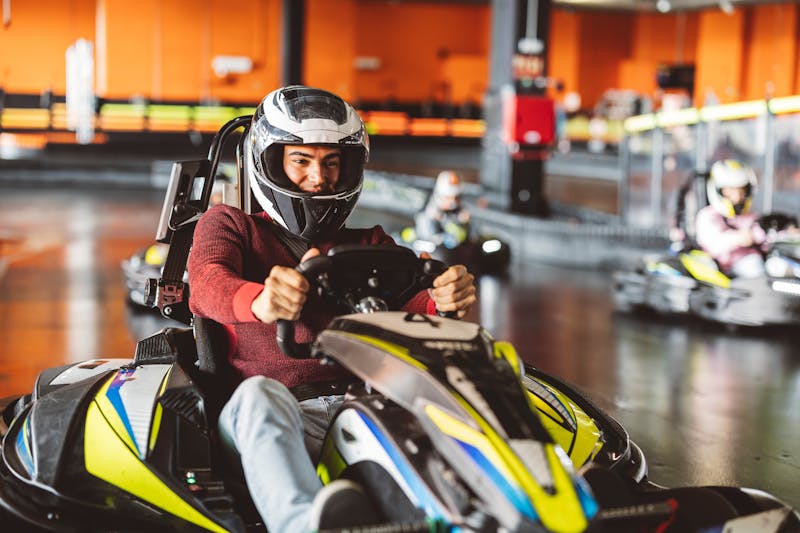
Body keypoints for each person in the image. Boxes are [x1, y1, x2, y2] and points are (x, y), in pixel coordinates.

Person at [187, 85, 476, 532]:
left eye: (331, 163)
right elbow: (207, 283)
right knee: (260, 397)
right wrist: (260, 299)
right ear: (272, 163)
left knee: (467, 373)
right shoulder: (230, 225)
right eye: (301, 161)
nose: (319, 179)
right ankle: (303, 525)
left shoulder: (369, 243)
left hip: (361, 408)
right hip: (269, 416)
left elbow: (409, 308)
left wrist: (443, 298)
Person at [695, 159, 767, 278]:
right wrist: (738, 238)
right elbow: (713, 244)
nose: (737, 197)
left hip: (756, 265)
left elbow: (763, 235)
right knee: (752, 265)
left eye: (741, 192)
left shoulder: (750, 216)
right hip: (722, 270)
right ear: (718, 191)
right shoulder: (707, 216)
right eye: (730, 192)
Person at [414, 169, 471, 246]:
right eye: (448, 198)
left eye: (456, 197)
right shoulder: (428, 215)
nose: (453, 202)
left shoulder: (460, 211)